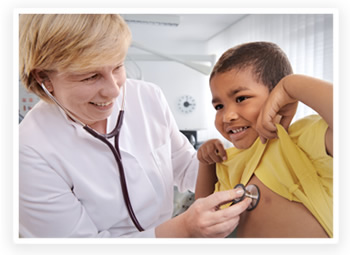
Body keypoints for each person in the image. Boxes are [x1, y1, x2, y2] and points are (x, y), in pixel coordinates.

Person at [18, 14, 251, 238]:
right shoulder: (29, 149)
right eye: (90, 76)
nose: (113, 90)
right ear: (44, 78)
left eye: (118, 67)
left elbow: (184, 167)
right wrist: (184, 230)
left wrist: (232, 158)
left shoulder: (147, 96)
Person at [195, 42, 333, 238]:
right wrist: (206, 163)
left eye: (241, 98)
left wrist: (291, 85)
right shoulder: (232, 160)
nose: (227, 116)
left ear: (278, 96)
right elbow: (204, 218)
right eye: (219, 106)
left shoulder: (303, 139)